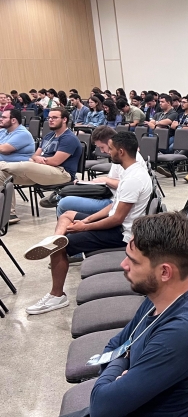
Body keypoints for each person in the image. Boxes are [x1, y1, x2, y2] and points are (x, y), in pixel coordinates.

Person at [59, 213, 188, 417]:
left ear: (164, 272)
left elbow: (101, 406)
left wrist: (123, 363)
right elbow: (115, 346)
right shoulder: (158, 298)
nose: (123, 265)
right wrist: (124, 361)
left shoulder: (182, 331)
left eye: (133, 261)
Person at [24, 131, 152, 315]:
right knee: (67, 215)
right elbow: (113, 207)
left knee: (63, 246)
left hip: (121, 234)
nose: (109, 152)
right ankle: (55, 240)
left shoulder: (134, 178)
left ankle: (56, 295)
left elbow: (117, 219)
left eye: (112, 149)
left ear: (122, 151)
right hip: (116, 224)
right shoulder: (129, 172)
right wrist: (88, 219)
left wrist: (84, 227)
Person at [0, 108, 82, 223]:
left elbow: (55, 161)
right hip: (42, 170)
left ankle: (1, 165)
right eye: (49, 118)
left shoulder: (69, 138)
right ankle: (9, 215)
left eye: (54, 118)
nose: (50, 120)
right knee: (2, 174)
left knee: (26, 166)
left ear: (64, 119)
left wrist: (37, 159)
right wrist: (37, 158)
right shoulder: (49, 136)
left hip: (62, 173)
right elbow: (34, 156)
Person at [50, 126, 145, 217]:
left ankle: (57, 199)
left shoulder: (130, 159)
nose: (102, 151)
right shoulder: (120, 157)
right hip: (109, 195)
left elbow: (128, 184)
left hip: (113, 201)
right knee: (68, 196)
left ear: (110, 142)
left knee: (63, 203)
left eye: (102, 147)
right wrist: (89, 183)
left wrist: (105, 180)